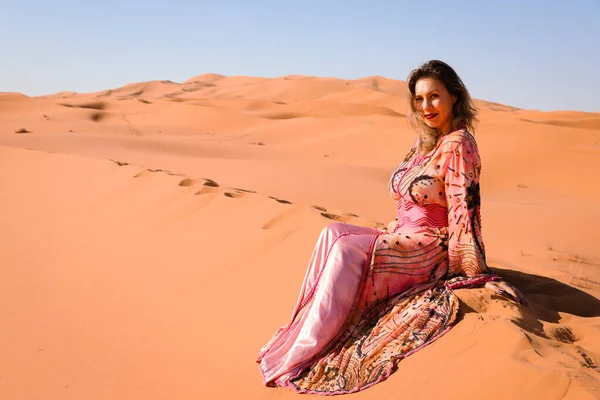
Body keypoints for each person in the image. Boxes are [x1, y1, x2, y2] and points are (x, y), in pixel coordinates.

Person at [257, 60, 526, 395]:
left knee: (345, 249)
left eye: (434, 97)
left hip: (431, 247)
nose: (426, 106)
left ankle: (313, 346)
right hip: (404, 234)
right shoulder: (424, 143)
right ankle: (302, 333)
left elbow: (464, 209)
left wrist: (471, 272)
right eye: (419, 99)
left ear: (454, 97)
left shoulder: (459, 144)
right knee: (332, 234)